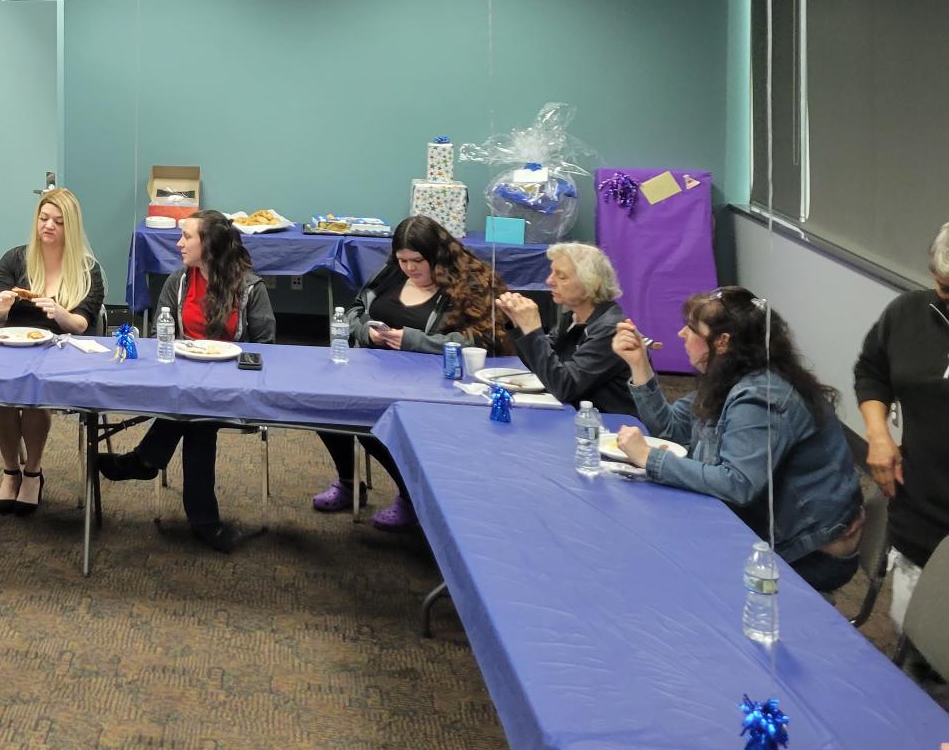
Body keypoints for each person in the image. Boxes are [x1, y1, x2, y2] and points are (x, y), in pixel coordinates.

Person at [612, 287, 864, 594]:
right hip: (777, 529)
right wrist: (640, 365)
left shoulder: (760, 396)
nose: (681, 334)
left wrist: (650, 458)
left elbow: (737, 484)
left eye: (691, 329)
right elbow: (672, 428)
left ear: (722, 342)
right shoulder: (730, 376)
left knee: (675, 572)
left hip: (808, 554)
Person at [309, 215, 507, 529]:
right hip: (374, 370)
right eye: (402, 260)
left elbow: (482, 341)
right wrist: (366, 332)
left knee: (374, 421)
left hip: (430, 381)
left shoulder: (469, 283)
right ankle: (349, 482)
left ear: (438, 256)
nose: (410, 268)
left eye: (417, 261)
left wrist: (414, 341)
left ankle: (410, 496)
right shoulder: (390, 274)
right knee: (322, 404)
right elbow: (355, 311)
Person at [96, 210, 275, 553]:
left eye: (187, 237)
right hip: (183, 382)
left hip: (233, 384)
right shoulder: (178, 282)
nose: (179, 243)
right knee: (197, 411)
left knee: (199, 414)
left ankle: (145, 461)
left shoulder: (250, 287)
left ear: (209, 245)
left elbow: (266, 348)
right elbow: (158, 338)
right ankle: (203, 520)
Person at [854, 222, 949, 636]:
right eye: (944, 287)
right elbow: (872, 371)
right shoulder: (908, 312)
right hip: (920, 513)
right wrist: (878, 435)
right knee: (912, 638)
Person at [0, 188, 105, 515]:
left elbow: (82, 324)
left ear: (72, 227)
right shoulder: (14, 259)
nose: (48, 225)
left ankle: (33, 472)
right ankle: (11, 471)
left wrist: (60, 313)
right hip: (13, 347)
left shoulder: (87, 269)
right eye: (43, 218)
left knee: (34, 396)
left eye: (58, 221)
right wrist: (0, 307)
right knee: (3, 400)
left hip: (60, 350)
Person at [495, 242, 630, 414]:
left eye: (561, 277)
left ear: (591, 284)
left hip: (611, 423)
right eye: (552, 273)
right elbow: (543, 366)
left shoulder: (610, 330)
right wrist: (519, 324)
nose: (549, 281)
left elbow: (564, 387)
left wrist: (532, 330)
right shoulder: (573, 317)